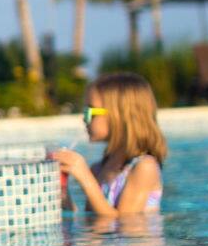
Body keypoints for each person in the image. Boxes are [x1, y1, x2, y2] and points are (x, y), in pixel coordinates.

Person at [53, 71, 166, 217]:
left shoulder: (144, 167)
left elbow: (124, 224)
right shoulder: (99, 169)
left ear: (120, 115)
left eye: (90, 111)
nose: (84, 118)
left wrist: (84, 177)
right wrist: (62, 190)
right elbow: (91, 223)